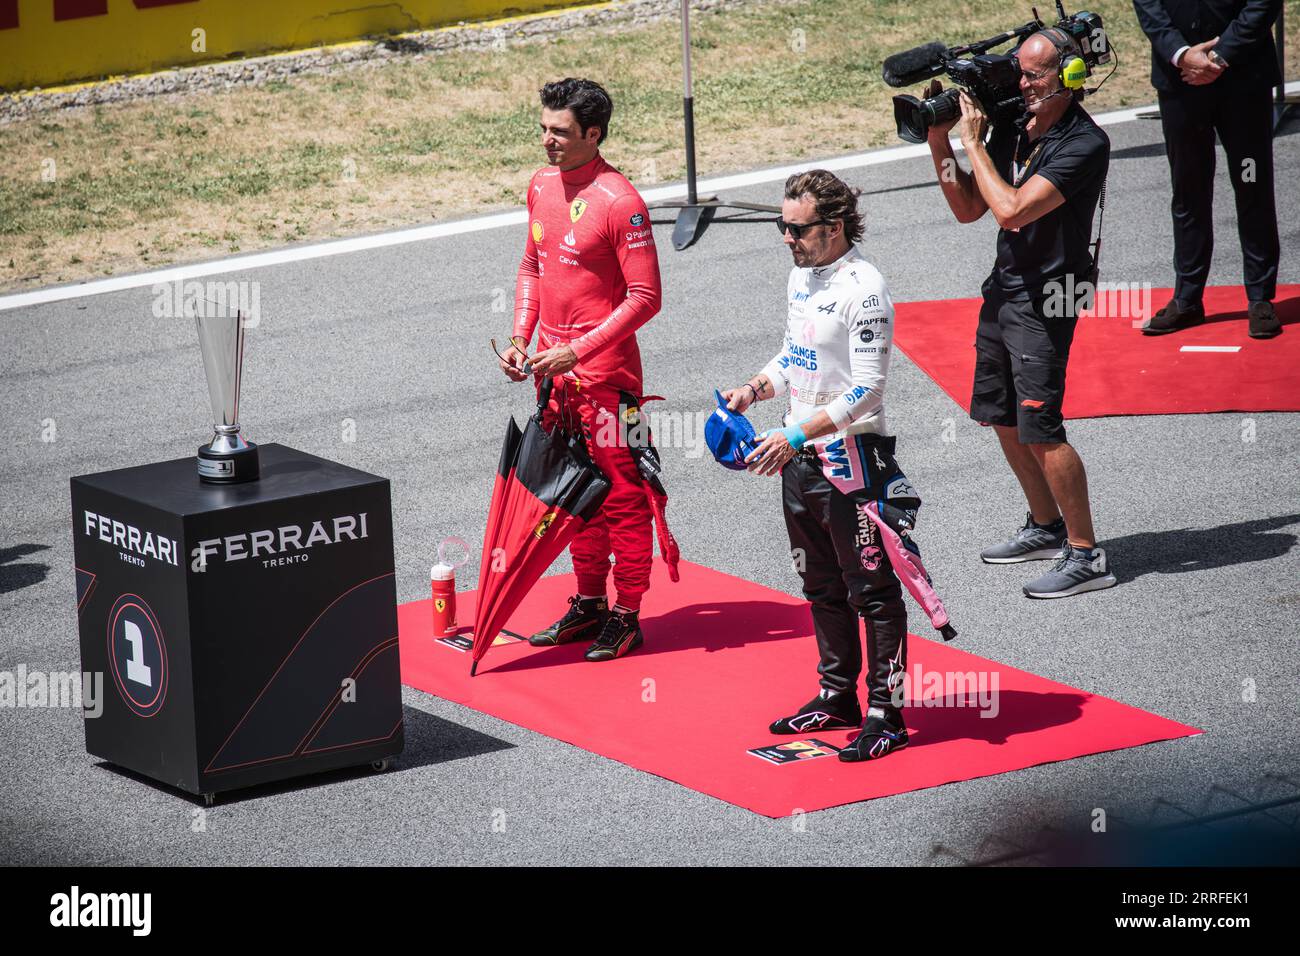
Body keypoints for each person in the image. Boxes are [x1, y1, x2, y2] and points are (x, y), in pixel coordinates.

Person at [722, 169, 920, 763]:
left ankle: (889, 713)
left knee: (875, 593)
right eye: (781, 225)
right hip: (801, 459)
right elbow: (796, 352)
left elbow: (868, 391)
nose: (785, 236)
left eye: (796, 227)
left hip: (853, 460)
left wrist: (792, 431)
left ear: (833, 228)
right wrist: (756, 388)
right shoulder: (801, 276)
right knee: (821, 584)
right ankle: (838, 695)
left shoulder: (866, 289)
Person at [923, 29, 1117, 598]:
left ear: (1072, 76)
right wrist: (941, 143)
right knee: (1003, 416)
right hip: (1006, 288)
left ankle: (1087, 555)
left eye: (1034, 75)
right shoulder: (1014, 126)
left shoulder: (1086, 144)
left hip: (1049, 297)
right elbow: (967, 209)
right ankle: (1045, 525)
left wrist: (975, 145)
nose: (1022, 84)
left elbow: (1010, 212)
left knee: (1041, 426)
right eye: (1020, 73)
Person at [497, 77, 663, 661]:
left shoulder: (622, 202)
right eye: (543, 128)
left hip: (615, 386)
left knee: (625, 496)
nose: (547, 140)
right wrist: (522, 339)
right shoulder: (540, 184)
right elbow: (531, 267)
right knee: (571, 493)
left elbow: (646, 298)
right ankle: (589, 601)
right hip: (554, 377)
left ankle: (628, 612)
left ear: (593, 134)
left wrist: (579, 350)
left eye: (560, 131)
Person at [1133, 0, 1283, 339]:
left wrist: (1220, 54)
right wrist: (1182, 53)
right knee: (1189, 190)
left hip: (1245, 80)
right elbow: (1148, 4)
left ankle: (1260, 298)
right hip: (1180, 82)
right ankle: (1187, 298)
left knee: (1252, 184)